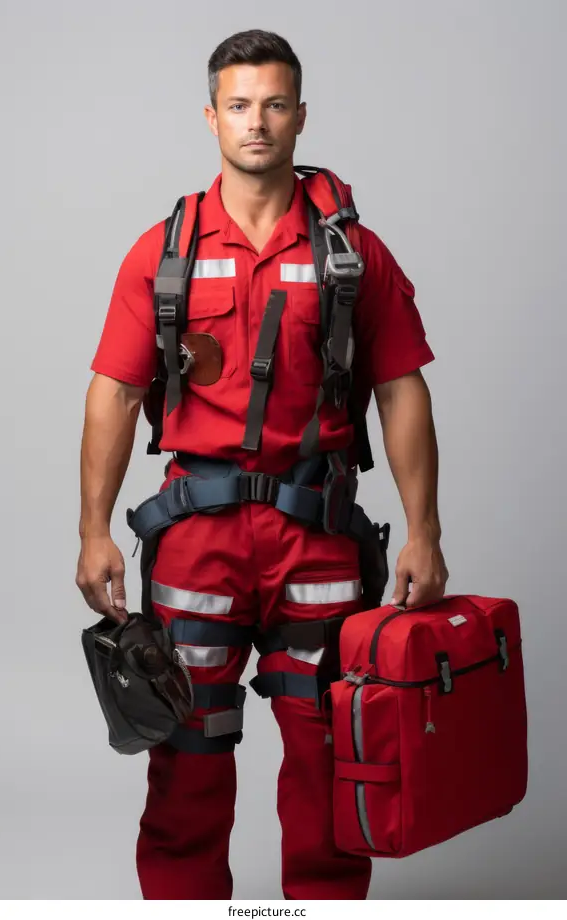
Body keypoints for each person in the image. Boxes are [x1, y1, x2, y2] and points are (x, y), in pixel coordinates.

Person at [76, 29, 449, 901]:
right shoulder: (161, 252)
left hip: (316, 543)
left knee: (329, 763)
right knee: (186, 765)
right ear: (211, 117)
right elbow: (113, 394)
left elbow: (401, 390)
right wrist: (93, 530)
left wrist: (425, 535)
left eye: (275, 104)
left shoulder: (350, 254)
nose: (258, 122)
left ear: (300, 116)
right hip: (196, 544)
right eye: (239, 105)